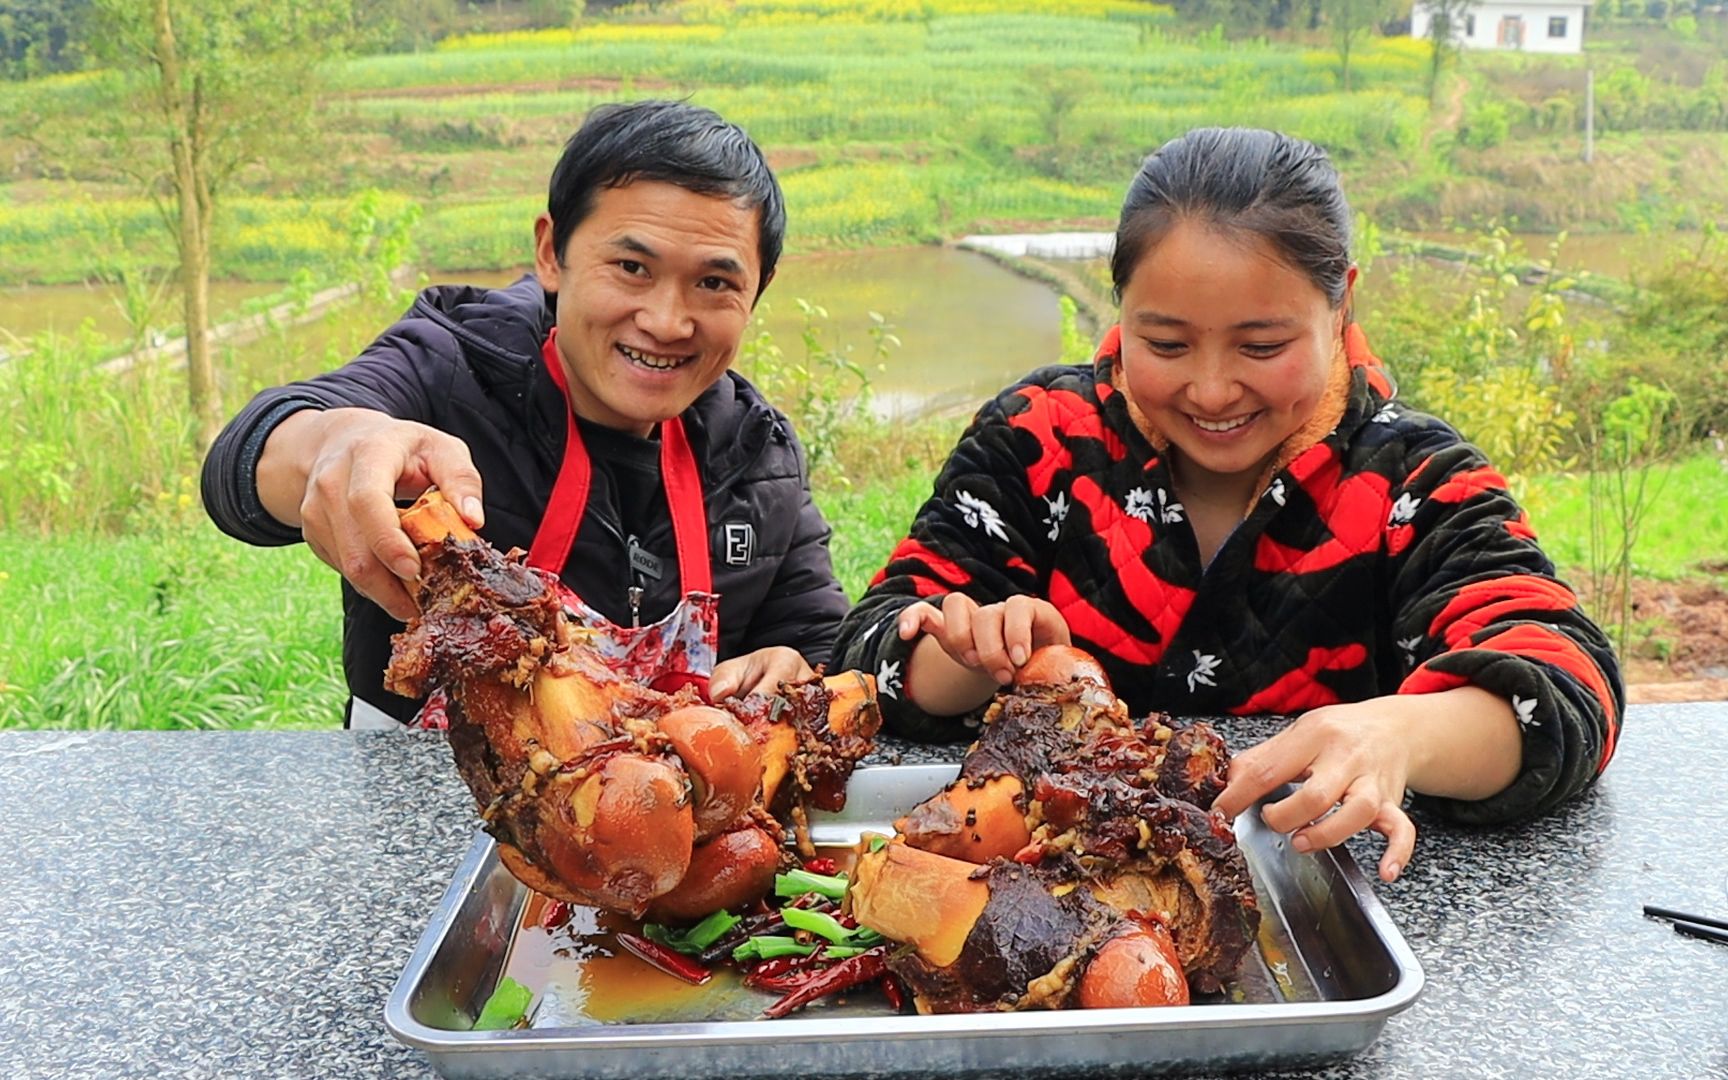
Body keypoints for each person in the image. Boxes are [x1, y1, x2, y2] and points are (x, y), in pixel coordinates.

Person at [830, 127, 1622, 882]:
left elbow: (1568, 687)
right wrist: (965, 657)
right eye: (1166, 345)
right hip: (1032, 881)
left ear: (1339, 302)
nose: (1210, 391)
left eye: (1262, 346)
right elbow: (868, 646)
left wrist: (1400, 733)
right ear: (1121, 307)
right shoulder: (1038, 440)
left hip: (1303, 887)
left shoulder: (1412, 480)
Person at [202, 100, 850, 727]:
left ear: (757, 290)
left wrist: (794, 669)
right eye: (631, 267)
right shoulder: (452, 366)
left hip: (651, 822)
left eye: (714, 283)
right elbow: (249, 460)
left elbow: (816, 638)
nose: (665, 321)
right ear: (551, 253)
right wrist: (338, 442)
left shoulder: (757, 453)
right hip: (420, 820)